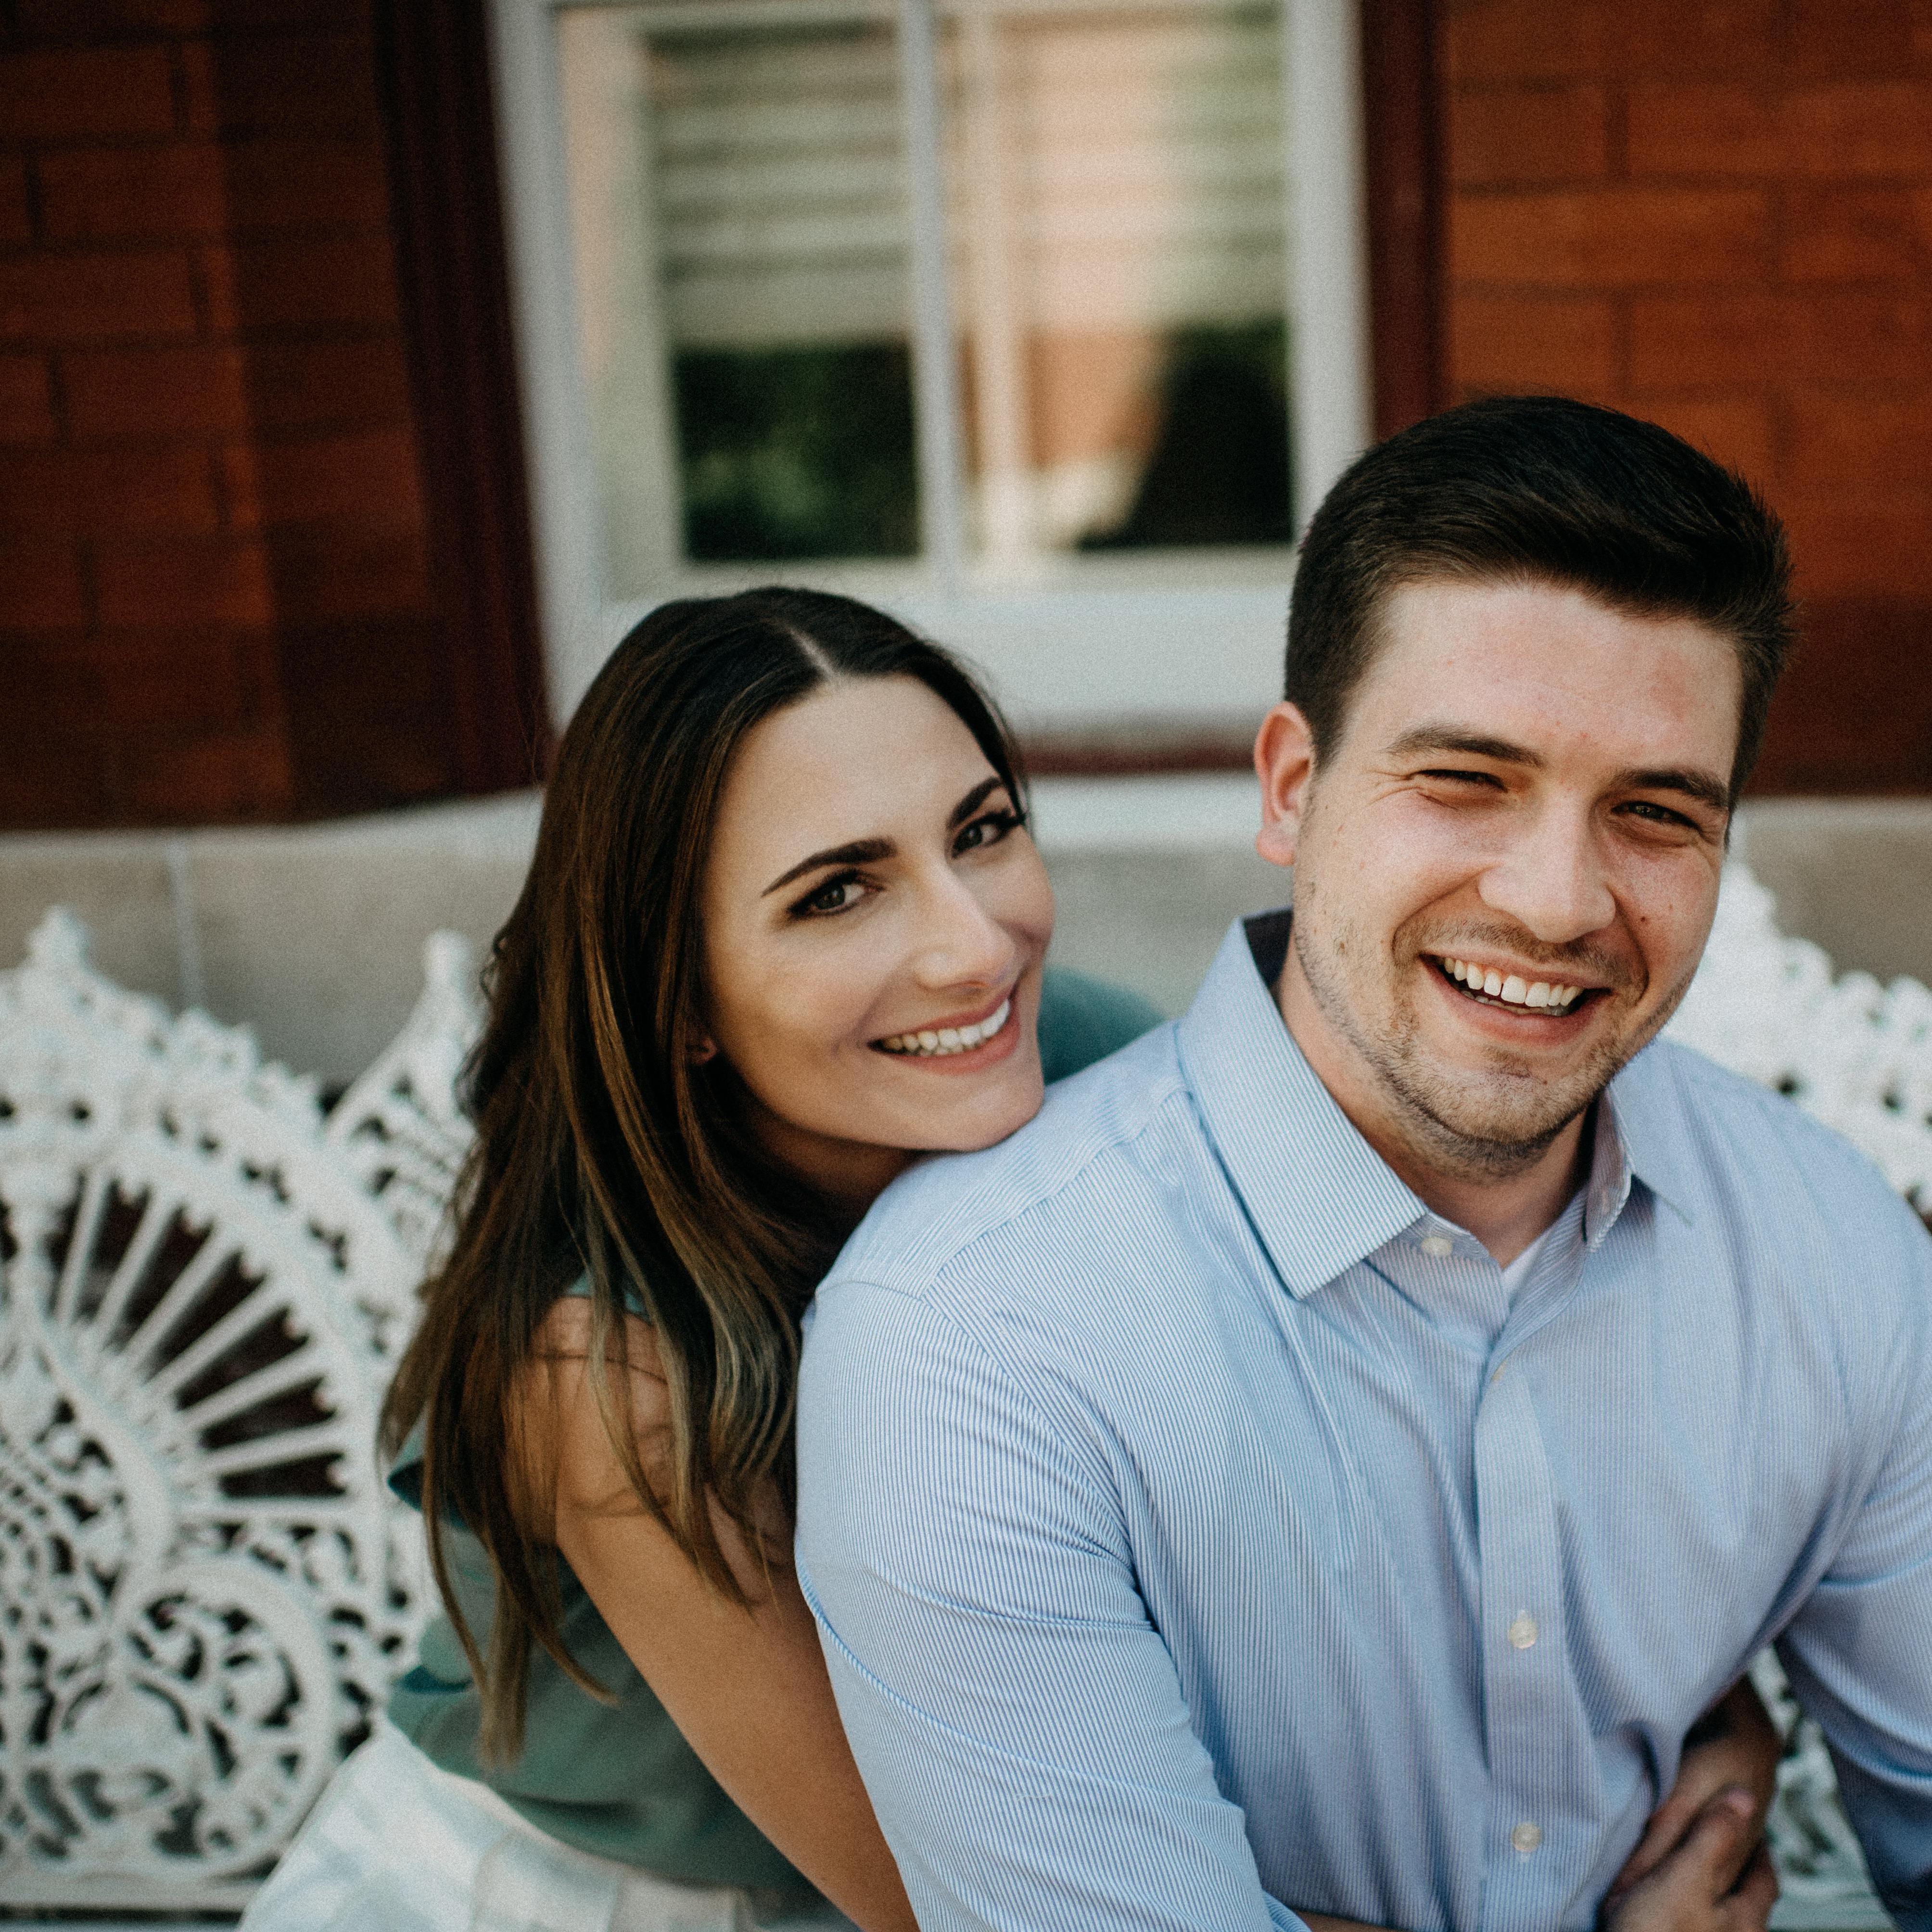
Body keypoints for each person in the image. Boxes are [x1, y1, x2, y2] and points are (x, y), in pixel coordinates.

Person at [243, 583, 1776, 1932]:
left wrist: (1676, 1720)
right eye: (837, 893)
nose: (976, 948)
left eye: (981, 834)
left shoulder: (1090, 1063)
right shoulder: (608, 1376)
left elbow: (1422, 1428)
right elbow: (960, 1898)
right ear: (681, 998)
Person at [796, 398, 1932, 1932]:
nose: (1557, 902)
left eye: (1656, 813)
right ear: (1290, 788)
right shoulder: (972, 1339)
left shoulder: (1831, 1248)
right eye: (1466, 779)